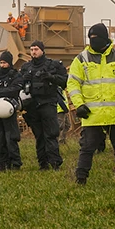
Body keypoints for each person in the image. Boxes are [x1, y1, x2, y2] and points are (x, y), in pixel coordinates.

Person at [68, 23, 115, 185]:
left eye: (96, 38)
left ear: (105, 38)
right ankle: (81, 179)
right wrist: (79, 105)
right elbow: (72, 84)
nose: (93, 41)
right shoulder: (81, 59)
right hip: (92, 114)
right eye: (91, 38)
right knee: (87, 148)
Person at [19, 40, 68, 170]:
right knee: (39, 136)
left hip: (48, 103)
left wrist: (50, 77)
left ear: (42, 50)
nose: (34, 52)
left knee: (51, 134)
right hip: (31, 105)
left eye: (36, 49)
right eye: (32, 49)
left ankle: (55, 163)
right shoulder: (26, 68)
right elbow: (18, 84)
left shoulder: (53, 65)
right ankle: (43, 163)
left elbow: (65, 81)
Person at [0, 50, 24, 171]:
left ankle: (15, 163)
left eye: (5, 62)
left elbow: (14, 90)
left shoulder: (15, 75)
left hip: (9, 111)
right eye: (1, 62)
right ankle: (1, 164)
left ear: (10, 63)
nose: (2, 65)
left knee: (11, 138)